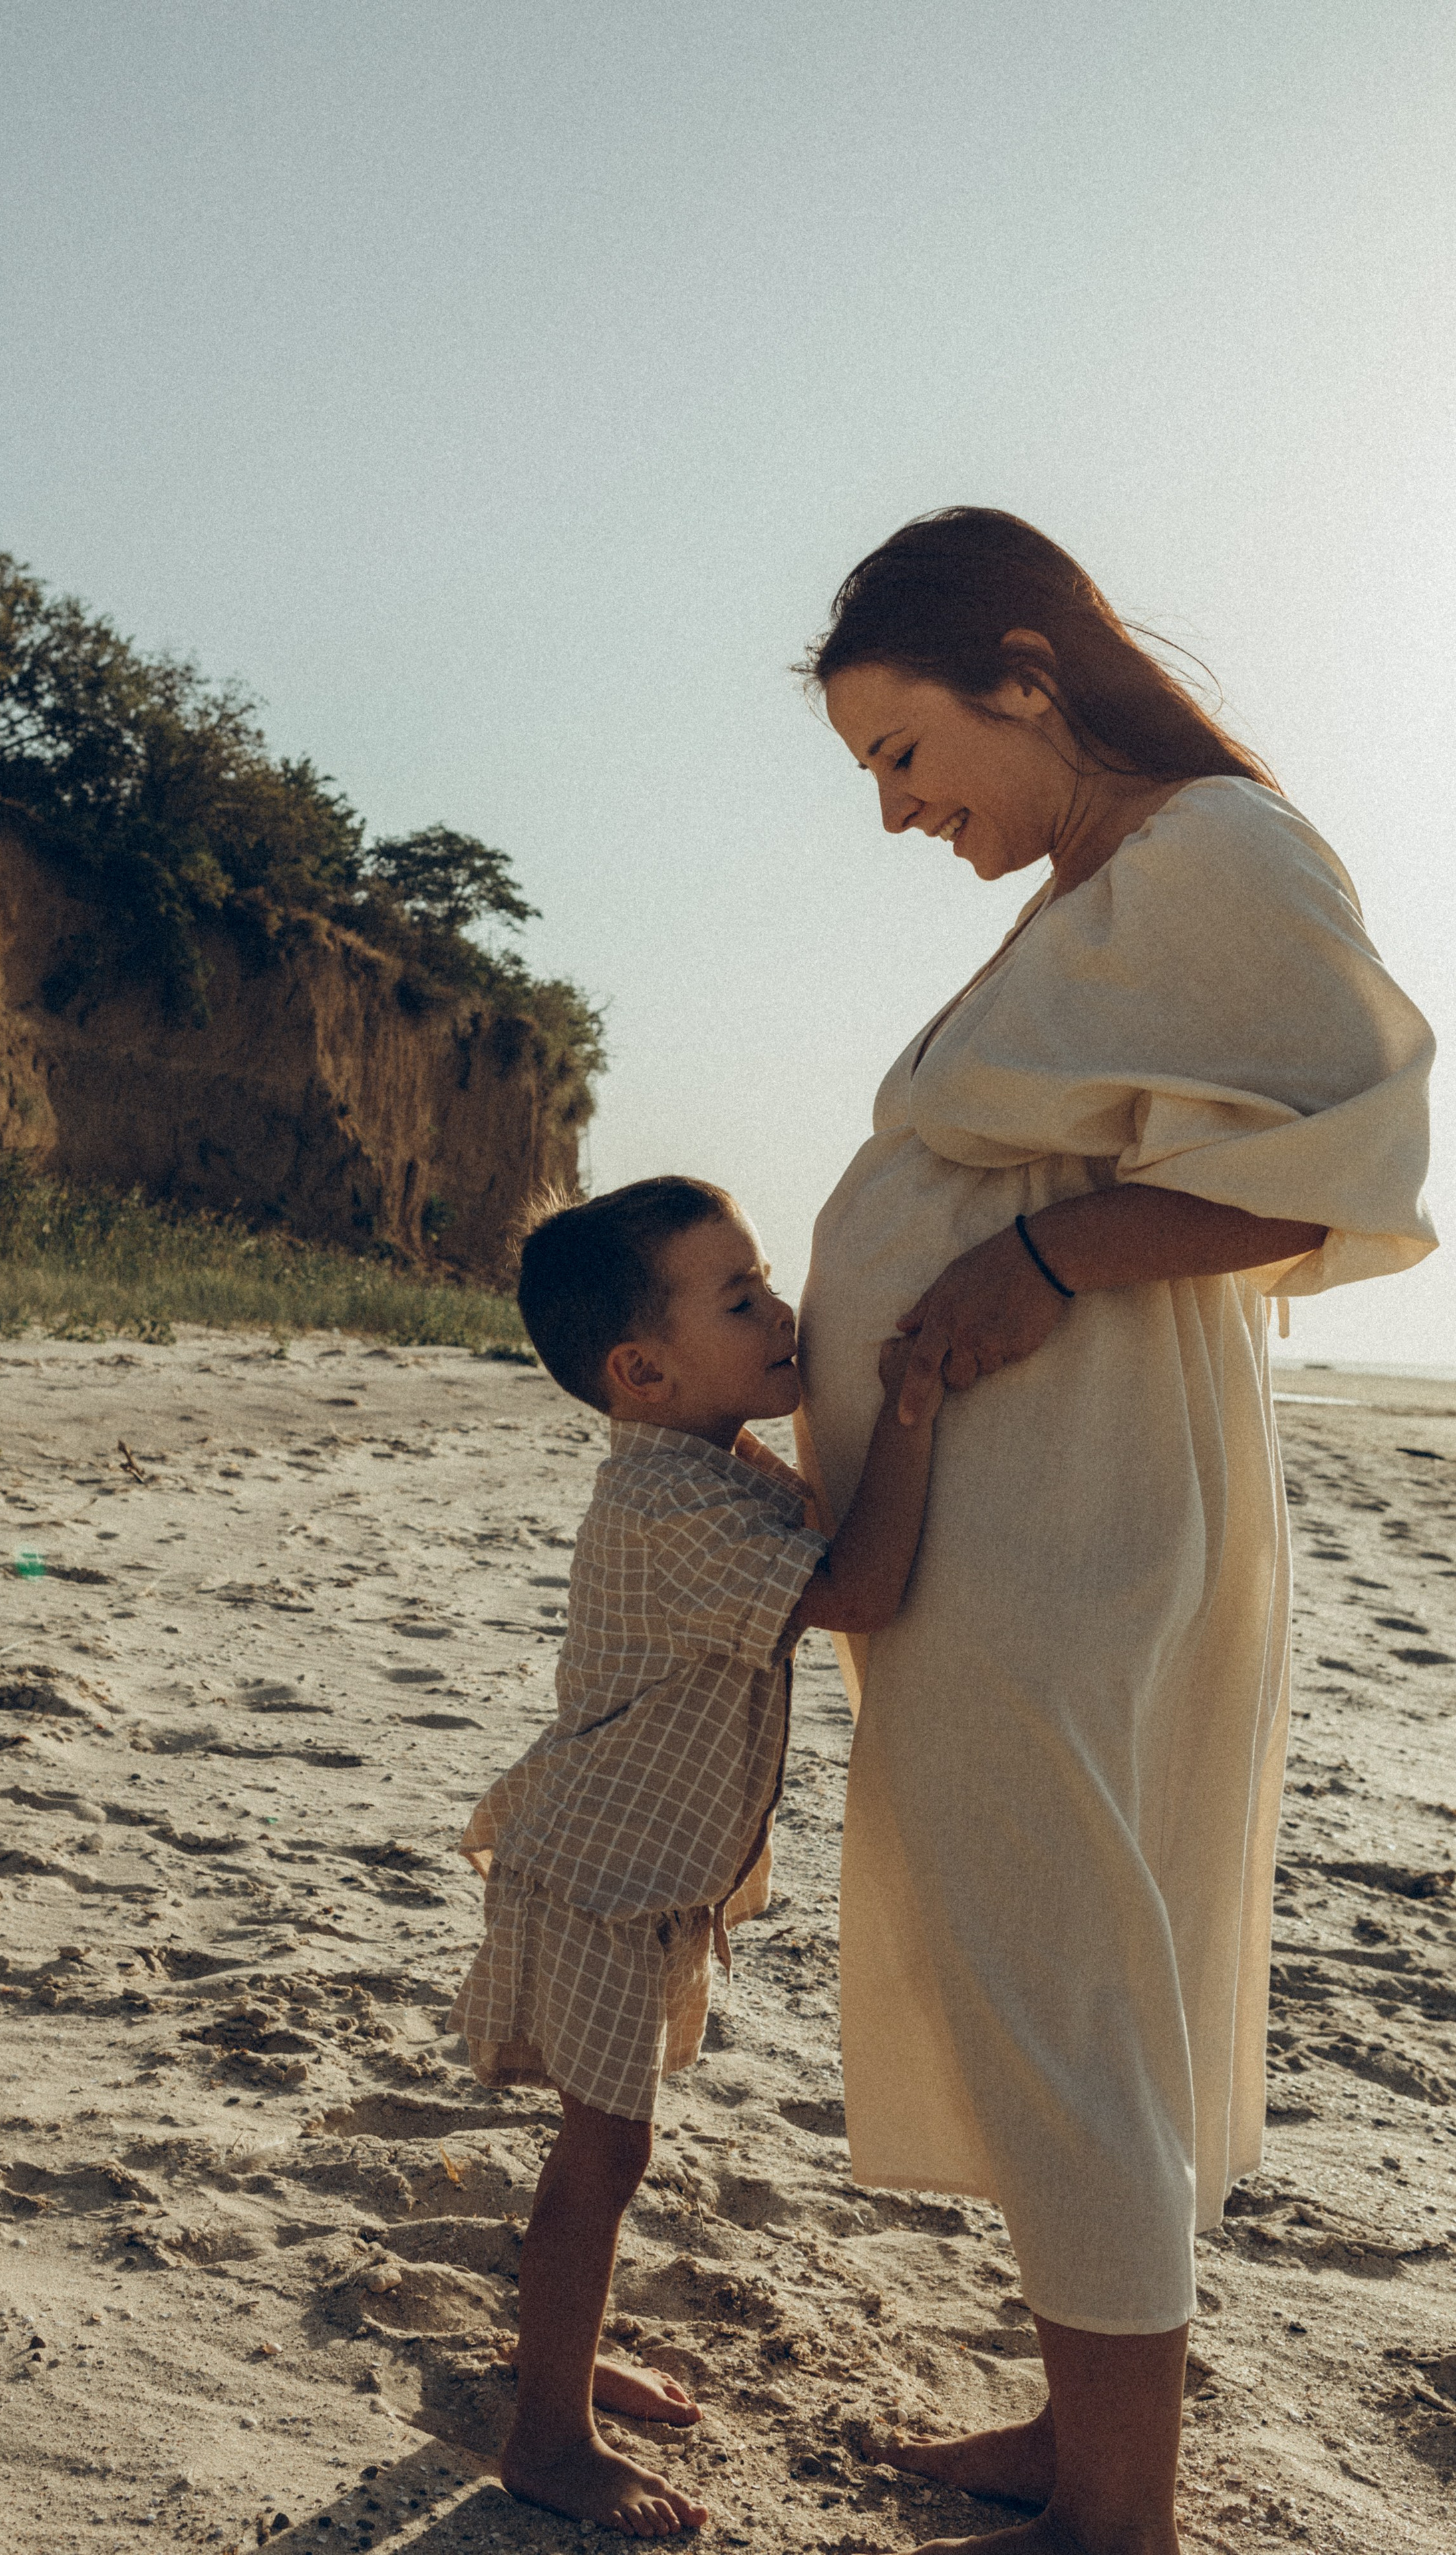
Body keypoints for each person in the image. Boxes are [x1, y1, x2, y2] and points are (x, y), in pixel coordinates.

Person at [792, 508, 1437, 2555]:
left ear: (1026, 673)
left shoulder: (1217, 851)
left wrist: (1055, 1259)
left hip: (1070, 1490)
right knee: (1042, 1957)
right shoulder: (1114, 877)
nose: (897, 815)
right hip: (1019, 1477)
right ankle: (1087, 2446)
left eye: (905, 755)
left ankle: (1121, 2510)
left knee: (1066, 1965)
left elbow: (1361, 1143)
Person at [450, 1174, 943, 2538]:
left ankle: (560, 2347)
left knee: (598, 2149)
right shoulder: (670, 1506)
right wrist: (909, 1412)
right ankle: (547, 2434)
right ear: (640, 1368)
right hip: (605, 1878)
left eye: (767, 1282)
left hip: (635, 1873)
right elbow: (856, 1586)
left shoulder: (708, 1462)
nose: (783, 1314)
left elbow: (819, 1531)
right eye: (741, 1300)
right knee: (602, 2158)